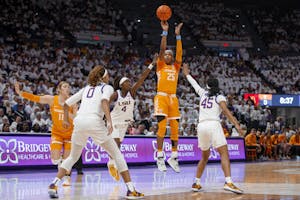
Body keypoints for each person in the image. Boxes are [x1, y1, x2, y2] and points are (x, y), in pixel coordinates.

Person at [48, 65, 143, 199]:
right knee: (117, 155)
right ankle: (131, 190)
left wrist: (65, 120)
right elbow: (104, 102)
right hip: (94, 122)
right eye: (108, 75)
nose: (109, 77)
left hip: (79, 123)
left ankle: (54, 184)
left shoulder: (86, 88)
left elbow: (66, 104)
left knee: (72, 157)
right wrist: (109, 121)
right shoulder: (107, 87)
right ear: (103, 77)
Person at [182, 63, 244, 194]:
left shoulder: (203, 93)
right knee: (224, 153)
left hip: (201, 126)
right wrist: (237, 125)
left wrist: (187, 73)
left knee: (204, 157)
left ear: (207, 86)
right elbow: (226, 112)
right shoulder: (219, 96)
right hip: (213, 125)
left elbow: (193, 83)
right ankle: (228, 182)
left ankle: (196, 183)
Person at [15, 81, 77, 186]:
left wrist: (65, 109)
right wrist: (21, 93)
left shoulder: (73, 102)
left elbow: (76, 119)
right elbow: (36, 98)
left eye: (69, 86)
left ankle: (67, 178)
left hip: (70, 134)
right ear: (59, 89)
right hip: (57, 133)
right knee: (55, 160)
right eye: (65, 86)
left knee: (67, 161)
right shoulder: (52, 99)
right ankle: (60, 163)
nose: (68, 88)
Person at [107, 54, 158, 181]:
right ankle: (112, 164)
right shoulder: (116, 94)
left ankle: (111, 162)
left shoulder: (132, 92)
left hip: (125, 123)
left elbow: (142, 78)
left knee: (117, 147)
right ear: (121, 85)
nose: (130, 83)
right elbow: (105, 103)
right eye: (127, 82)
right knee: (116, 145)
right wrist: (104, 116)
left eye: (130, 81)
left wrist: (152, 64)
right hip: (114, 122)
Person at [154, 21, 183, 173]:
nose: (167, 55)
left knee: (175, 129)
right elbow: (161, 48)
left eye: (169, 54)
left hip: (173, 98)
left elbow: (179, 53)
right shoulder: (160, 65)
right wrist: (165, 32)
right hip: (161, 98)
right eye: (165, 54)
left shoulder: (176, 66)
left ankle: (173, 156)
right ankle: (159, 157)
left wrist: (178, 36)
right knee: (161, 128)